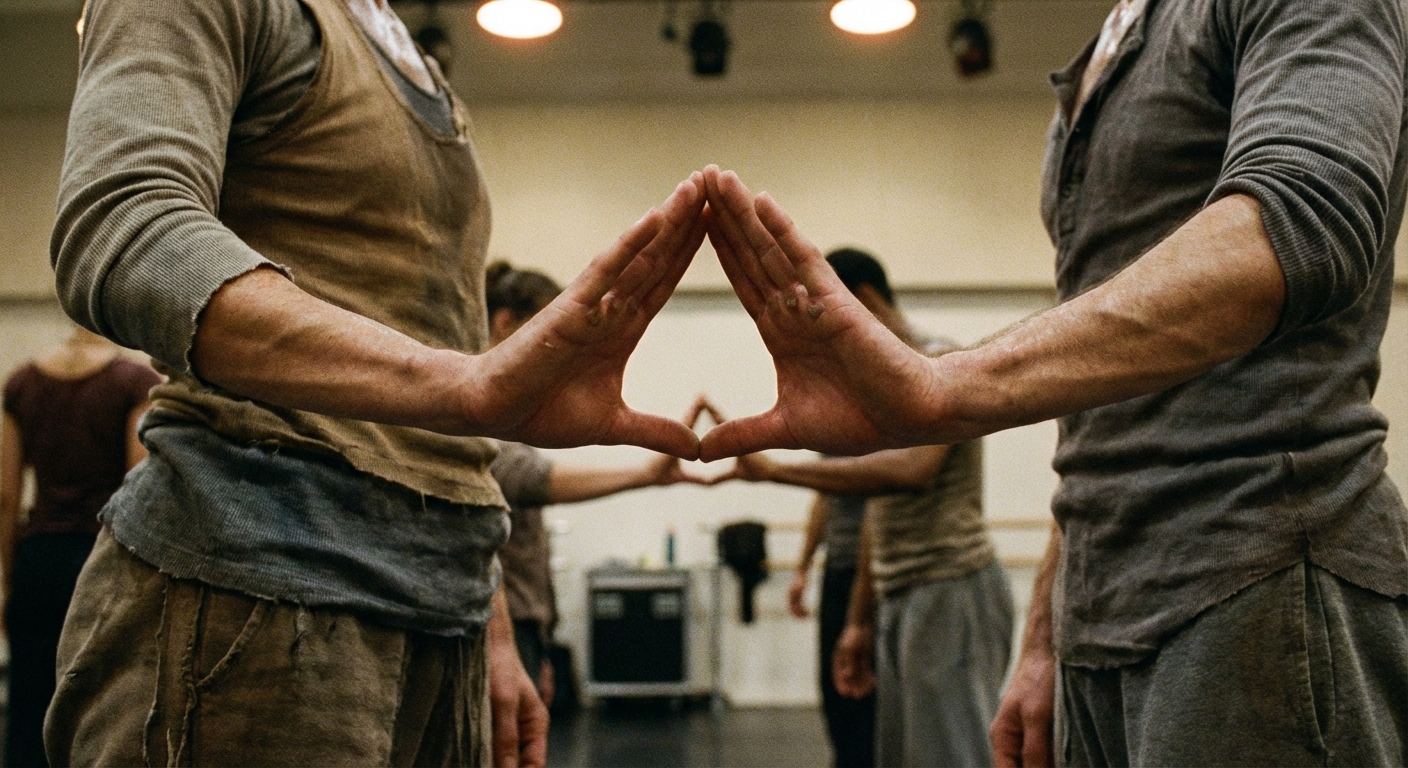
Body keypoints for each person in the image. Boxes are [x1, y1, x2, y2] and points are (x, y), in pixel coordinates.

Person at [696, 0, 1408, 757]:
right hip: (1099, 604)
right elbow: (1099, 403)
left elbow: (1301, 220)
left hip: (1254, 573)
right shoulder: (1109, 45)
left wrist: (942, 386)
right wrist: (1047, 631)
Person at [47, 0, 707, 763]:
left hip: (441, 615)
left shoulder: (408, 58)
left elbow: (445, 363)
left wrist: (489, 622)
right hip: (256, 593)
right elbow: (126, 226)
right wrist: (462, 386)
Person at [712, 249, 1013, 767]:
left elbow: (910, 472)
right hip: (899, 590)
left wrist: (776, 470)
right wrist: (859, 621)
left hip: (949, 583)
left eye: (827, 313)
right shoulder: (884, 379)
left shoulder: (938, 360)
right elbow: (879, 506)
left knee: (951, 757)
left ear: (865, 298)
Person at [483, 262, 708, 704]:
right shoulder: (479, 403)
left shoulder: (511, 407)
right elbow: (527, 481)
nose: (555, 352)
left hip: (525, 625)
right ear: (504, 323)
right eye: (545, 333)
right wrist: (644, 475)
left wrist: (543, 641)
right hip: (498, 628)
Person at [0, 329, 159, 768]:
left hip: (38, 559)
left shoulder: (21, 383)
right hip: (100, 559)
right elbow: (136, 489)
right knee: (104, 707)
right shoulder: (134, 380)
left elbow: (6, 497)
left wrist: (11, 581)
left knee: (29, 703)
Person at [788, 490, 876, 768]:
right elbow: (824, 497)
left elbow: (878, 508)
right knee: (834, 686)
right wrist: (803, 567)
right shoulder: (830, 448)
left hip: (873, 574)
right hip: (837, 570)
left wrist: (859, 619)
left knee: (864, 691)